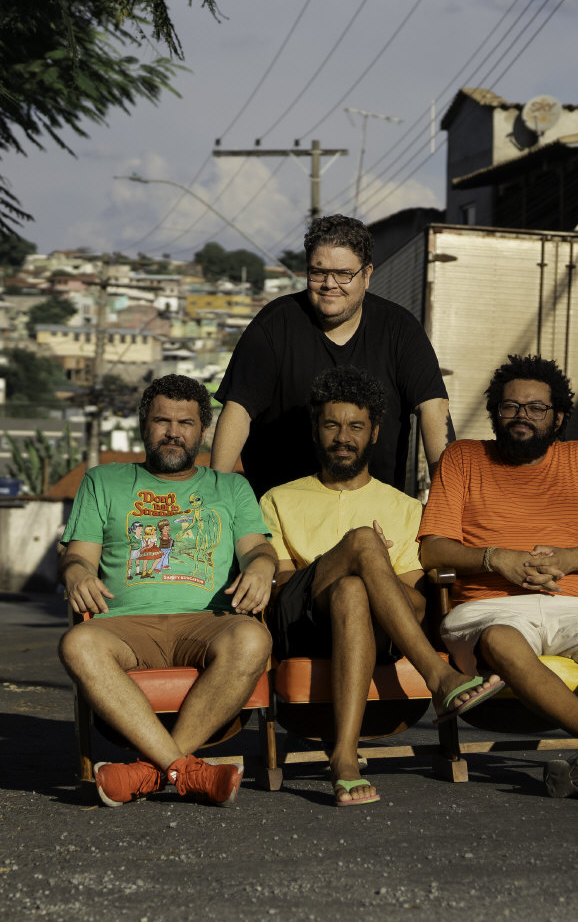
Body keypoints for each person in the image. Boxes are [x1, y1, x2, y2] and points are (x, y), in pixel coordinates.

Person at [417, 354, 578, 799]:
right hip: (491, 610)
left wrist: (569, 559)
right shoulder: (464, 457)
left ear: (558, 416)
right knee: (500, 639)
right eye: (510, 407)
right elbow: (432, 548)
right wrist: (497, 559)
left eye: (536, 408)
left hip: (575, 607)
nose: (521, 417)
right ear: (495, 412)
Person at [259, 366, 503, 807]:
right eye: (332, 424)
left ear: (374, 433)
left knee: (353, 590)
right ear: (316, 429)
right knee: (364, 541)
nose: (342, 437)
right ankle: (438, 674)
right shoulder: (278, 497)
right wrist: (354, 554)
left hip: (377, 627)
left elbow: (414, 601)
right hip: (302, 619)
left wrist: (372, 574)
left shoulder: (405, 507)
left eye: (356, 426)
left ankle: (345, 760)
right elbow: (281, 583)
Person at [58, 375, 278, 809]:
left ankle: (148, 772)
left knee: (253, 637)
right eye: (162, 420)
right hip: (123, 625)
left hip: (207, 622)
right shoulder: (104, 481)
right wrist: (76, 574)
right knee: (78, 643)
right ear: (144, 426)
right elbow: (78, 556)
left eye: (186, 422)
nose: (174, 432)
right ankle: (185, 771)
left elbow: (258, 547)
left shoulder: (230, 487)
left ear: (202, 431)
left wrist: (262, 566)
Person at [212, 214, 450, 498]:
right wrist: (216, 496)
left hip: (376, 513)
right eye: (318, 272)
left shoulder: (400, 329)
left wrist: (446, 504)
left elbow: (433, 410)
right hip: (280, 513)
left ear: (367, 274)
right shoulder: (275, 324)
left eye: (343, 274)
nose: (329, 284)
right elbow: (238, 411)